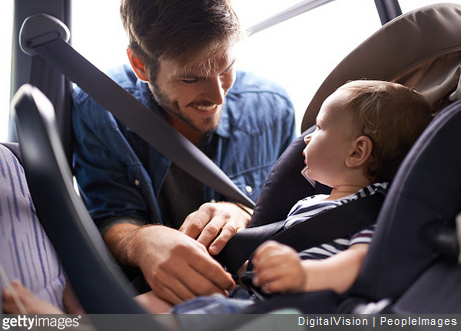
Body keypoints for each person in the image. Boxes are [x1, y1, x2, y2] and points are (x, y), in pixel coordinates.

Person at [2, 80, 434, 318]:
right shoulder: (314, 202)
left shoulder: (374, 208)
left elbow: (361, 261)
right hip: (248, 294)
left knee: (189, 318)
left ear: (357, 152)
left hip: (292, 309)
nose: (306, 136)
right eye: (191, 78)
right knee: (171, 302)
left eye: (319, 128)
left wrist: (306, 277)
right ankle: (101, 309)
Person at [71, 0, 296, 305]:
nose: (217, 95)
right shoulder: (99, 110)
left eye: (226, 68)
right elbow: (110, 214)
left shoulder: (273, 108)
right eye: (191, 78)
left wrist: (243, 213)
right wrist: (142, 242)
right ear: (140, 66)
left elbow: (299, 209)